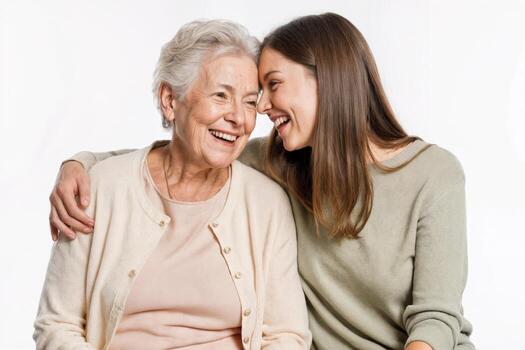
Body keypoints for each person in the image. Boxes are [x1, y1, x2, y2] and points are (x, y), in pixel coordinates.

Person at [48, 13, 475, 350]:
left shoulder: (432, 173)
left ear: (326, 82)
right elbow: (180, 154)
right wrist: (80, 164)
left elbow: (435, 319)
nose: (260, 109)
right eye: (254, 95)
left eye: (267, 89)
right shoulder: (278, 162)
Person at [34, 19, 311, 350]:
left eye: (250, 101)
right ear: (169, 100)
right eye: (221, 95)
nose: (239, 118)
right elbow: (57, 324)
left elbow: (286, 335)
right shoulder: (98, 189)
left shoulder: (266, 203)